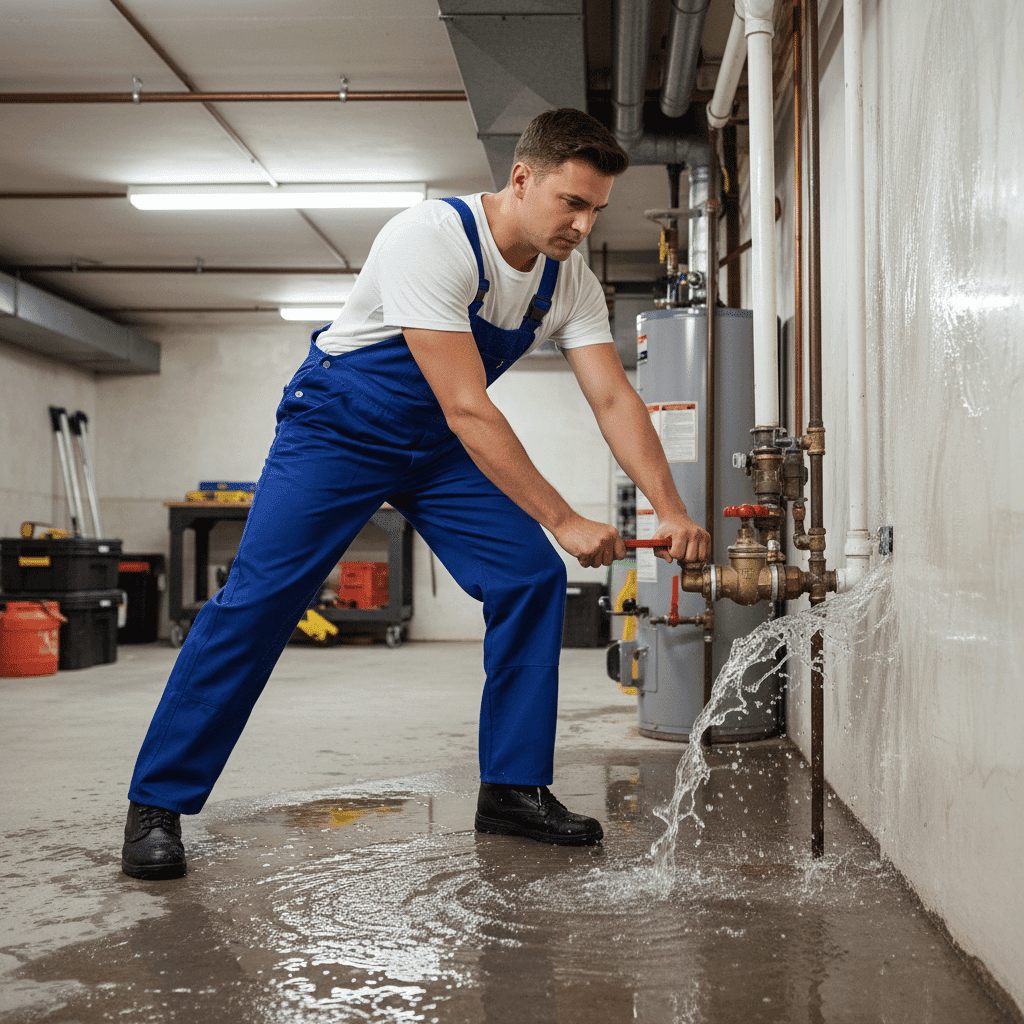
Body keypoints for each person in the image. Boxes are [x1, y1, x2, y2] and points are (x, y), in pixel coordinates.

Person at [121, 108, 711, 880]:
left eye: (596, 208)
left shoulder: (571, 281)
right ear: (522, 177)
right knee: (259, 601)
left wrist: (670, 506)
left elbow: (613, 400)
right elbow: (471, 407)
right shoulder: (430, 238)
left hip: (433, 446)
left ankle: (511, 788)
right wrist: (560, 516)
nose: (584, 223)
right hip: (338, 426)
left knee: (527, 577)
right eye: (571, 202)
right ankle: (156, 803)